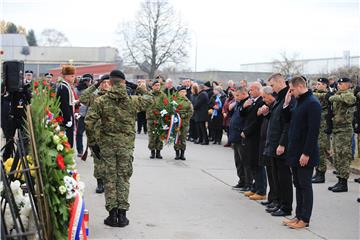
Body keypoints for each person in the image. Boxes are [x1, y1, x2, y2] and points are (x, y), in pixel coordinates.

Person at [85, 69, 151, 227]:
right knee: (123, 178)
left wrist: (93, 143)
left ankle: (111, 214)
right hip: (125, 147)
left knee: (109, 179)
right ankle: (122, 215)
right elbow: (151, 99)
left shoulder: (101, 101)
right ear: (123, 82)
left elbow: (88, 122)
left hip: (106, 145)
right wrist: (137, 87)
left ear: (110, 82)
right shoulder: (133, 100)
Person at [282, 76, 321, 229]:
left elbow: (313, 132)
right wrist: (286, 104)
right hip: (294, 150)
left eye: (291, 90)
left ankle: (305, 219)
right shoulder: (299, 101)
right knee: (297, 184)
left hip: (305, 153)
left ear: (299, 86)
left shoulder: (312, 103)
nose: (290, 93)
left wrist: (306, 153)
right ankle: (298, 216)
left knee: (305, 185)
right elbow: (289, 121)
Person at [264, 73, 293, 217]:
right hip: (274, 142)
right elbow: (277, 118)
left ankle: (286, 206)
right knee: (276, 176)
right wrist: (267, 113)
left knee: (284, 177)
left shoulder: (288, 96)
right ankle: (279, 203)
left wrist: (282, 143)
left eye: (272, 85)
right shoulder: (280, 97)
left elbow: (287, 124)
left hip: (281, 144)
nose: (271, 88)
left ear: (280, 82)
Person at [80, 74, 111, 193]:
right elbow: (82, 97)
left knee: (110, 160)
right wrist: (95, 85)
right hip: (96, 134)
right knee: (98, 160)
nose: (105, 85)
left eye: (108, 83)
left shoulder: (114, 97)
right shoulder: (94, 97)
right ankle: (100, 183)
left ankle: (109, 182)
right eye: (103, 83)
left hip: (111, 135)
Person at [328, 77, 356, 192]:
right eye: (338, 84)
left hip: (345, 130)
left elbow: (350, 99)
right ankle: (339, 180)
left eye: (342, 84)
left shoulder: (349, 94)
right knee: (337, 156)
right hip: (336, 129)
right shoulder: (338, 95)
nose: (339, 85)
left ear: (348, 85)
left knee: (343, 156)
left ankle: (344, 183)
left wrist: (333, 97)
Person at [240, 82, 266, 201]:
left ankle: (261, 190)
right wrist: (244, 106)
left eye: (251, 90)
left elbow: (257, 121)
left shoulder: (262, 101)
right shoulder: (252, 101)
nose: (250, 92)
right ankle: (255, 187)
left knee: (257, 163)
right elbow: (244, 115)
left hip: (256, 136)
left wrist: (247, 131)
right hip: (249, 136)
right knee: (251, 162)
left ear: (258, 89)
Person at [258, 86, 278, 206]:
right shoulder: (269, 106)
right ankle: (272, 198)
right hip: (266, 142)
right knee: (270, 173)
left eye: (265, 97)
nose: (264, 100)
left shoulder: (275, 105)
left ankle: (275, 199)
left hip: (273, 143)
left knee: (274, 175)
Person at [312, 78, 332, 183]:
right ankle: (318, 171)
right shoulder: (316, 93)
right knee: (316, 149)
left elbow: (320, 96)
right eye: (317, 84)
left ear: (325, 85)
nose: (317, 85)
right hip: (317, 124)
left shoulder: (327, 95)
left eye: (319, 84)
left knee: (321, 149)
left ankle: (321, 174)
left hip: (323, 125)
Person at [229, 87, 248, 190]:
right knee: (238, 161)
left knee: (243, 161)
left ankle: (246, 182)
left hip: (241, 137)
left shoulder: (246, 104)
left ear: (244, 94)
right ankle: (241, 180)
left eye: (237, 95)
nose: (235, 98)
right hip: (235, 136)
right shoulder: (238, 104)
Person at [56, 65, 76, 147]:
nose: (73, 78)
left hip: (69, 115)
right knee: (68, 141)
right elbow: (64, 105)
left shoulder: (66, 86)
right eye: (72, 76)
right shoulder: (63, 87)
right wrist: (68, 119)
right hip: (66, 118)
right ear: (65, 76)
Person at [146, 80, 166, 159]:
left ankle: (158, 152)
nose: (158, 87)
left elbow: (166, 105)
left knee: (160, 135)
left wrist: (162, 115)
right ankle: (152, 151)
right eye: (156, 85)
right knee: (152, 135)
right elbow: (147, 107)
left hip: (161, 118)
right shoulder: (148, 95)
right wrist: (153, 117)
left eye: (159, 85)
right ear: (153, 86)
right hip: (151, 119)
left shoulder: (163, 95)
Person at [174, 86, 194, 160]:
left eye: (184, 92)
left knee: (183, 138)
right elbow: (171, 110)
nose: (183, 93)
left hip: (185, 123)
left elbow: (191, 112)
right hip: (176, 123)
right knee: (177, 138)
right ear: (178, 93)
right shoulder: (175, 101)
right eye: (181, 92)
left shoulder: (188, 102)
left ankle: (182, 154)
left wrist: (183, 115)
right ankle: (177, 153)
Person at [75, 73, 93, 157]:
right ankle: (80, 150)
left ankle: (93, 150)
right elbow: (75, 100)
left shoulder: (94, 89)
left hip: (91, 114)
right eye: (87, 80)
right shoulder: (78, 89)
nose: (88, 82)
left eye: (89, 80)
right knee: (79, 133)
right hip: (81, 114)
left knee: (92, 134)